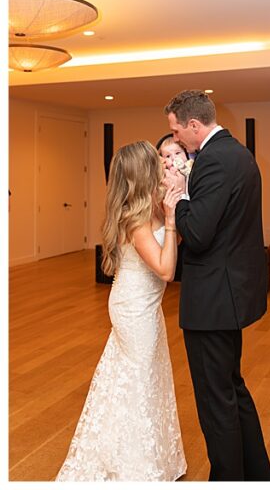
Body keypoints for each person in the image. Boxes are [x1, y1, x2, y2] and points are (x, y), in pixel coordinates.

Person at [57, 141, 187, 481]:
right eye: (156, 159)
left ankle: (151, 455)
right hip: (133, 307)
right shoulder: (135, 218)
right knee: (139, 378)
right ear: (143, 171)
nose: (163, 161)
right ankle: (133, 466)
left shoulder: (154, 205)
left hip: (147, 305)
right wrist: (173, 221)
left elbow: (172, 247)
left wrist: (177, 204)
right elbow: (165, 270)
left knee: (145, 376)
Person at [163, 89, 270, 481]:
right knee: (232, 388)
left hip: (213, 298)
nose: (175, 139)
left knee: (216, 399)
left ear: (194, 125)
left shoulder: (212, 160)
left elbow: (197, 233)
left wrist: (175, 201)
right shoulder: (238, 154)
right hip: (230, 292)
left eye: (176, 131)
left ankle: (226, 479)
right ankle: (258, 475)